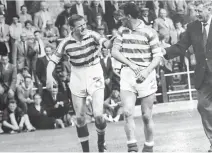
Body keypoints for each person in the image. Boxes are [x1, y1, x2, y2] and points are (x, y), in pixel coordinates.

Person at [46, 14, 115, 152]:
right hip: (77, 74)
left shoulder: (92, 35)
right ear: (72, 28)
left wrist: (110, 42)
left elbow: (105, 42)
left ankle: (101, 143)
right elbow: (53, 61)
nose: (84, 27)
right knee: (80, 118)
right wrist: (49, 76)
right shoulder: (66, 42)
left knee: (98, 115)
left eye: (84, 24)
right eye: (80, 26)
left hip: (94, 71)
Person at [111, 3, 163, 152]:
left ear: (128, 16)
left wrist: (146, 72)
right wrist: (131, 65)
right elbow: (115, 52)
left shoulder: (150, 32)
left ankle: (148, 146)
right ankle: (132, 146)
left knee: (146, 116)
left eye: (121, 15)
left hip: (146, 74)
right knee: (127, 112)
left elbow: (157, 56)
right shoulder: (122, 31)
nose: (119, 18)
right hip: (128, 74)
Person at [163, 1, 212, 152]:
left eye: (199, 11)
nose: (196, 14)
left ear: (210, 9)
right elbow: (180, 46)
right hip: (203, 75)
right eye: (195, 11)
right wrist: (163, 52)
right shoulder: (192, 27)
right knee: (203, 106)